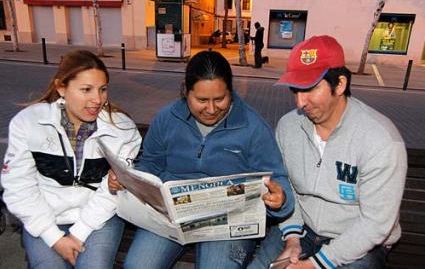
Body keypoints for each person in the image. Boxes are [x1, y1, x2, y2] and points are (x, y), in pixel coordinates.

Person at [109, 50, 294, 268]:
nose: (212, 109)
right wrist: (129, 179)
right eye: (201, 100)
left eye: (220, 99)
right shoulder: (168, 118)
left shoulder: (252, 127)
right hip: (171, 217)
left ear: (231, 92)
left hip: (227, 222)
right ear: (186, 92)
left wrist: (281, 199)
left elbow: (278, 179)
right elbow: (150, 164)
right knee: (138, 266)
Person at [250, 35, 407, 268]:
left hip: (359, 242)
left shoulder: (381, 139)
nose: (300, 103)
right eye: (296, 90)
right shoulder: (288, 126)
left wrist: (315, 263)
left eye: (310, 89)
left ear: (340, 84)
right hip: (302, 230)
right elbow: (287, 188)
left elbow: (375, 224)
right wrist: (292, 239)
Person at [1, 50, 142, 268]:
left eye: (103, 89)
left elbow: (111, 192)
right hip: (44, 217)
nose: (98, 99)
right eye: (86, 90)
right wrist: (54, 237)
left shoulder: (121, 130)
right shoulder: (29, 123)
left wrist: (78, 234)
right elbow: (18, 187)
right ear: (61, 88)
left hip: (99, 219)